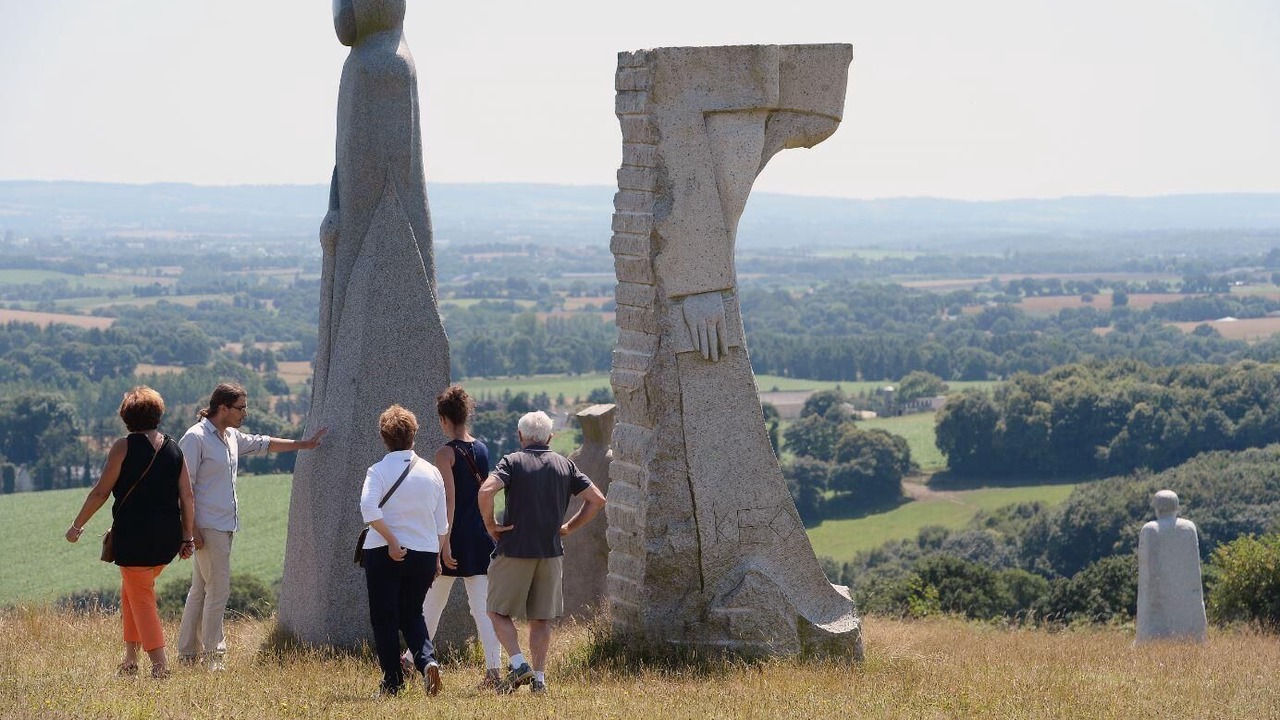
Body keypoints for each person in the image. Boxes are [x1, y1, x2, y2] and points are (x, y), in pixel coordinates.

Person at [177, 382, 327, 670]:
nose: (245, 413)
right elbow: (184, 488)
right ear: (222, 408)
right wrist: (192, 530)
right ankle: (213, 658)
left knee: (200, 590)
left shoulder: (230, 436)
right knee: (217, 591)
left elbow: (264, 443)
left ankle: (187, 655)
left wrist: (303, 445)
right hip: (208, 527)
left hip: (223, 526)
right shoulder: (195, 438)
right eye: (240, 408)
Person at [66, 386, 196, 679]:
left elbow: (101, 492)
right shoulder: (174, 447)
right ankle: (129, 659)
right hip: (167, 538)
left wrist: (77, 526)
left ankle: (160, 665)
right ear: (158, 414)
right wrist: (187, 537)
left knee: (141, 598)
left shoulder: (123, 447)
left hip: (134, 536)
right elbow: (187, 496)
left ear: (126, 417)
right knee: (132, 591)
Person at [479, 411, 607, 694]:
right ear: (550, 437)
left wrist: (491, 525)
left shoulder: (511, 462)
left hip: (513, 548)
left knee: (496, 611)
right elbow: (597, 500)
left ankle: (517, 662)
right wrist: (569, 527)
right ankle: (539, 679)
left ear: (520, 436)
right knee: (541, 619)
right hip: (551, 551)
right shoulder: (565, 465)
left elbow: (487, 490)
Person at [399, 385, 503, 688]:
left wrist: (442, 545)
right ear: (465, 414)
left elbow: (449, 500)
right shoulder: (482, 449)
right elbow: (485, 493)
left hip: (454, 535)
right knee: (483, 607)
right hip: (480, 536)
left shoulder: (445, 453)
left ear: (444, 419)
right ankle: (493, 672)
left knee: (432, 603)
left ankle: (410, 660)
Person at [361, 404, 449, 697]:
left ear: (384, 437)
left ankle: (393, 682)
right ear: (414, 434)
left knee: (384, 618)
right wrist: (436, 557)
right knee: (412, 614)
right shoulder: (432, 473)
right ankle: (427, 661)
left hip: (383, 552)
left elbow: (369, 510)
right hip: (424, 552)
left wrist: (391, 540)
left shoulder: (377, 471)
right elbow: (441, 524)